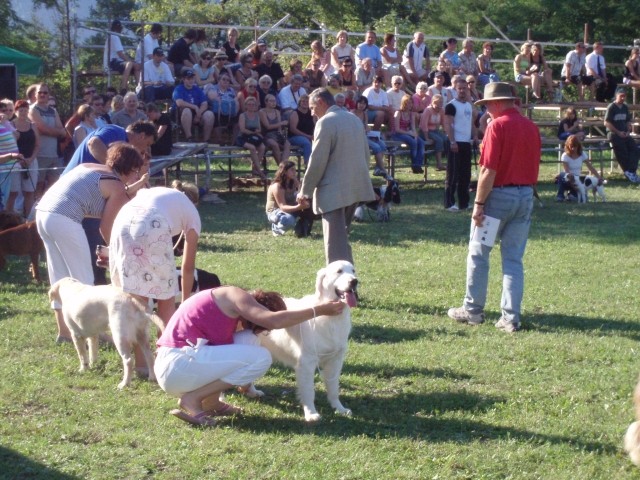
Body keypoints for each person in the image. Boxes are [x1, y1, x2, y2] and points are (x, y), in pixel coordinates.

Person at [154, 287, 345, 426]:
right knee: (261, 357)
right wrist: (319, 310)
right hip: (177, 364)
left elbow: (229, 354)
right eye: (256, 325)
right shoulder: (234, 294)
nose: (252, 329)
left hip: (180, 364)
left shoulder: (223, 308)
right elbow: (275, 320)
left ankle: (211, 403)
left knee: (250, 340)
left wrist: (246, 385)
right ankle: (192, 399)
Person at [448, 82, 541, 333]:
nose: (486, 109)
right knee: (513, 259)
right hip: (525, 196)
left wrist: (478, 204)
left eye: (488, 104)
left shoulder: (497, 126)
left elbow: (488, 169)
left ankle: (473, 310)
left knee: (479, 253)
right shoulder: (531, 127)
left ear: (498, 102)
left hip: (498, 197)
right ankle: (511, 318)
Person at [36, 143, 144, 343]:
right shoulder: (116, 186)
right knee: (84, 280)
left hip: (43, 213)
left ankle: (64, 333)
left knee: (60, 277)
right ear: (129, 168)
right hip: (65, 218)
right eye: (136, 171)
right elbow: (106, 227)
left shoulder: (89, 166)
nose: (137, 176)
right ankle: (96, 336)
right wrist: (116, 252)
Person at [298, 89, 375, 265]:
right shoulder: (354, 119)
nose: (311, 112)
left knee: (334, 245)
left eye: (312, 107)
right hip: (355, 188)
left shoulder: (325, 122)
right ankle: (348, 284)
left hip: (333, 191)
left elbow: (317, 160)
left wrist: (305, 191)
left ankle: (341, 288)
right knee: (342, 240)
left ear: (321, 102)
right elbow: (366, 155)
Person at [109, 180, 200, 326]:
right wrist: (184, 303)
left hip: (122, 220)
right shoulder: (192, 212)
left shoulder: (161, 194)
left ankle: (138, 346)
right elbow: (188, 267)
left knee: (135, 296)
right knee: (166, 296)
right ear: (195, 203)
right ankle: (165, 346)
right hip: (151, 222)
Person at [444, 77, 477, 211]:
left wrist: (475, 135)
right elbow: (448, 124)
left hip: (466, 142)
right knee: (452, 174)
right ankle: (449, 203)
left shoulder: (469, 105)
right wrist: (452, 141)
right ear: (455, 89)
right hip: (455, 142)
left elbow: (471, 123)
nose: (462, 91)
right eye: (460, 88)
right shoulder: (451, 105)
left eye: (464, 88)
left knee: (465, 174)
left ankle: (464, 202)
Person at [29, 83, 67, 196]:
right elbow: (42, 128)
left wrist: (55, 131)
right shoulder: (32, 110)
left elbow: (63, 131)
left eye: (45, 92)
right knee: (38, 186)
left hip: (54, 155)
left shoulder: (53, 111)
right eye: (40, 92)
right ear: (35, 94)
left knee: (53, 186)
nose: (42, 94)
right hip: (40, 154)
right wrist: (57, 132)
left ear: (48, 94)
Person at [266, 161, 315, 237]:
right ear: (284, 171)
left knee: (311, 208)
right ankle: (276, 228)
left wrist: (298, 184)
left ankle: (302, 230)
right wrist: (300, 207)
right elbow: (282, 206)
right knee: (288, 220)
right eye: (292, 170)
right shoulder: (277, 186)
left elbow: (302, 196)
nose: (294, 172)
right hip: (275, 211)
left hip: (290, 208)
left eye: (295, 170)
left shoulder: (293, 183)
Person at [8, 100, 39, 217]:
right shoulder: (11, 126)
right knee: (13, 192)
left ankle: (28, 219)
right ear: (16, 111)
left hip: (30, 161)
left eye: (26, 110)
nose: (23, 112)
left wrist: (31, 159)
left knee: (29, 191)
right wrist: (18, 159)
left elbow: (37, 145)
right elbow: (9, 146)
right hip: (14, 162)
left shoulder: (33, 125)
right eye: (21, 110)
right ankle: (9, 218)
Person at [605, 87, 640, 182]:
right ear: (617, 96)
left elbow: (628, 121)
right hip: (613, 133)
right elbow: (607, 123)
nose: (623, 98)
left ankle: (631, 171)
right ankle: (627, 171)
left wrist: (628, 129)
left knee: (635, 148)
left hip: (624, 133)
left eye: (624, 96)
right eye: (621, 96)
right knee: (622, 150)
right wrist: (618, 132)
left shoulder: (625, 107)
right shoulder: (611, 107)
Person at [556, 134, 602, 202]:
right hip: (568, 178)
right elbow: (567, 171)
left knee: (583, 199)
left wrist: (599, 178)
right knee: (562, 175)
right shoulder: (565, 155)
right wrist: (573, 185)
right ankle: (560, 196)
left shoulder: (582, 154)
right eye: (571, 146)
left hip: (578, 180)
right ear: (568, 145)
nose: (573, 148)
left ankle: (571, 195)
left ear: (578, 146)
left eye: (575, 146)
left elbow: (590, 167)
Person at [351, 96, 389, 178]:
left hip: (365, 135)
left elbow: (366, 126)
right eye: (360, 103)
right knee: (376, 147)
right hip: (357, 137)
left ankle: (377, 168)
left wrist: (368, 130)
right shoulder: (352, 113)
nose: (362, 105)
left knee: (382, 144)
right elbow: (351, 128)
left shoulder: (365, 114)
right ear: (357, 103)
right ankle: (383, 169)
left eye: (364, 104)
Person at [172, 69, 214, 142]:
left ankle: (206, 140)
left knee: (209, 114)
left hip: (197, 114)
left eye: (192, 78)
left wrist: (199, 114)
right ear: (183, 79)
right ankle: (189, 138)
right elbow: (179, 103)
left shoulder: (197, 89)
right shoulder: (178, 89)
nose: (191, 80)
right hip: (181, 115)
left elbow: (205, 103)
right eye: (188, 79)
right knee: (187, 110)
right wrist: (194, 107)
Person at [391, 94, 425, 175]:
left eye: (410, 103)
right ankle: (414, 164)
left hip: (408, 132)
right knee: (412, 142)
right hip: (398, 133)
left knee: (421, 142)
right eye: (407, 103)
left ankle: (418, 164)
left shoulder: (412, 114)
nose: (409, 105)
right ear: (403, 103)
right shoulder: (398, 113)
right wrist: (409, 133)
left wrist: (415, 135)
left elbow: (413, 126)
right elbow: (397, 129)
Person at [235, 96, 267, 181]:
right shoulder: (243, 115)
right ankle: (259, 171)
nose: (251, 106)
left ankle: (254, 168)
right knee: (252, 148)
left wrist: (256, 132)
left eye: (253, 104)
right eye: (249, 104)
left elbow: (259, 129)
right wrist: (253, 132)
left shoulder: (257, 116)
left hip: (254, 136)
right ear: (246, 105)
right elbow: (242, 129)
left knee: (262, 147)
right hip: (243, 137)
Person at [104, 20, 140, 92]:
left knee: (137, 66)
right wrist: (131, 61)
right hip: (112, 62)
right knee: (129, 64)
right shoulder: (114, 36)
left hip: (116, 61)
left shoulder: (112, 36)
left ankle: (140, 88)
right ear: (118, 28)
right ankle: (123, 88)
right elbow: (120, 54)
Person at [259, 94, 290, 166]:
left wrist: (281, 135)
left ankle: (284, 164)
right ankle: (281, 167)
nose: (273, 103)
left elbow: (279, 127)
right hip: (266, 134)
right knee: (274, 145)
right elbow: (267, 126)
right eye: (271, 101)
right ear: (266, 102)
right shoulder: (262, 112)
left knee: (287, 144)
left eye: (274, 101)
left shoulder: (277, 112)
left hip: (276, 134)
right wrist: (281, 123)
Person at [419, 94, 447, 171]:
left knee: (447, 139)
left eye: (441, 104)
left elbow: (444, 122)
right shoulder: (428, 111)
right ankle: (439, 164)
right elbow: (424, 125)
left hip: (435, 130)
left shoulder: (442, 110)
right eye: (437, 104)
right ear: (432, 103)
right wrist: (427, 137)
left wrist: (445, 132)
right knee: (439, 140)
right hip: (425, 131)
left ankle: (449, 161)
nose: (439, 106)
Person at [288, 94, 314, 165]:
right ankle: (308, 164)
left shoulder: (311, 113)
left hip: (309, 136)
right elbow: (293, 129)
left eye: (307, 102)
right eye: (303, 101)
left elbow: (315, 125)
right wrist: (307, 136)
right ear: (299, 103)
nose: (305, 103)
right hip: (294, 137)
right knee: (307, 143)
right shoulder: (295, 113)